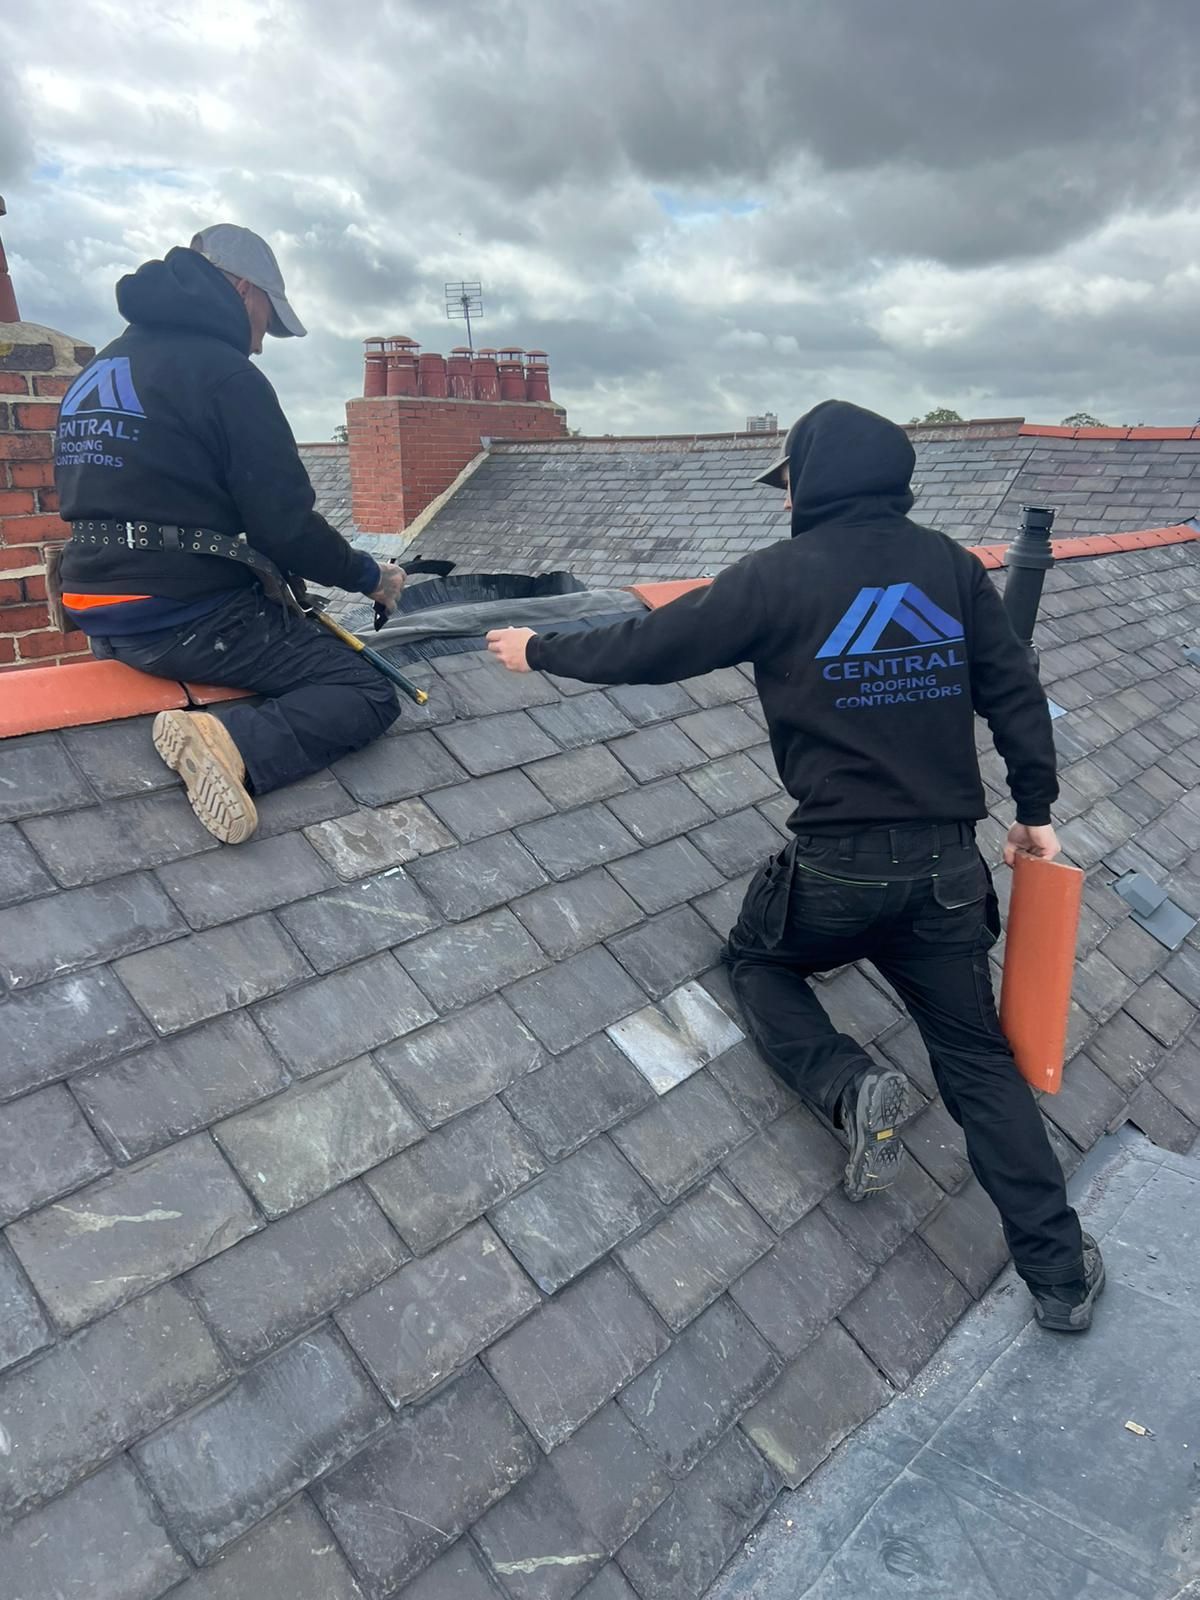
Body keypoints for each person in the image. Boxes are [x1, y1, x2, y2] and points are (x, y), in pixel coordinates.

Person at [486, 400, 1104, 1334]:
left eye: (788, 489)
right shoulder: (947, 566)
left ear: (810, 484)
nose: (782, 507)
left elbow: (656, 646)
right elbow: (1012, 683)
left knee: (760, 963)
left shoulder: (777, 578)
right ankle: (1060, 1278)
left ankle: (847, 1086)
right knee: (978, 1060)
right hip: (946, 872)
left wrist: (539, 650)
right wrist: (1035, 812)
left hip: (838, 871)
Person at [53, 224, 406, 845]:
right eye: (268, 322)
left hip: (95, 606)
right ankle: (229, 746)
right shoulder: (224, 375)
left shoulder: (105, 365)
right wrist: (372, 576)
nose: (263, 345)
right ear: (244, 289)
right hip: (179, 615)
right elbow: (285, 525)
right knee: (363, 689)